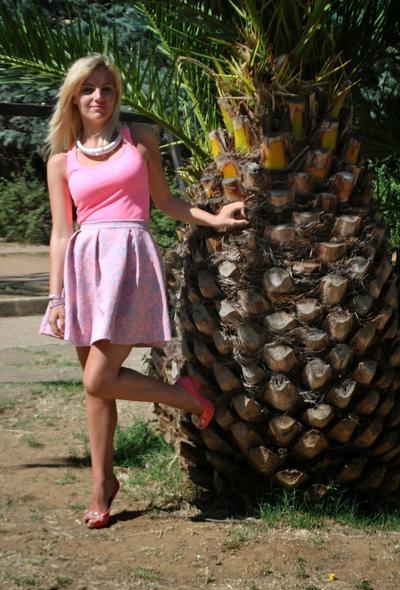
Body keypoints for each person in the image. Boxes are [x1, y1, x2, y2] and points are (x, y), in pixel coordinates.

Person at [39, 53, 248, 529]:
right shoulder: (61, 161)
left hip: (129, 263)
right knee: (97, 390)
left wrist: (214, 217)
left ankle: (188, 397)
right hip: (84, 270)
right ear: (75, 96)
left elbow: (166, 201)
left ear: (117, 95)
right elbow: (60, 233)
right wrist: (55, 298)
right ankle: (102, 484)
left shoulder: (141, 140)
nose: (98, 97)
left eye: (107, 88)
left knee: (98, 378)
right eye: (89, 89)